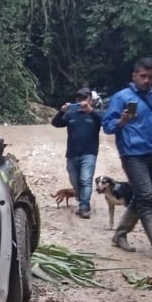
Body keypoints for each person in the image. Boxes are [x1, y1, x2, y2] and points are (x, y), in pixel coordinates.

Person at [102, 58, 152, 259]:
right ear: (134, 76)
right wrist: (122, 120)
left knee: (141, 198)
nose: (146, 80)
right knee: (147, 197)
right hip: (132, 154)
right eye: (142, 76)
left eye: (150, 77)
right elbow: (107, 126)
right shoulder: (121, 97)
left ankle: (120, 235)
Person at [50, 87, 102, 219]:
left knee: (86, 179)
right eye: (79, 98)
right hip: (72, 153)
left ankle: (84, 207)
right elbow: (55, 123)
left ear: (90, 99)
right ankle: (81, 199)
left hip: (89, 153)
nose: (81, 101)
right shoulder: (71, 113)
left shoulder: (95, 114)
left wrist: (90, 111)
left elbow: (104, 122)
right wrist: (61, 112)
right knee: (74, 180)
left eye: (84, 98)